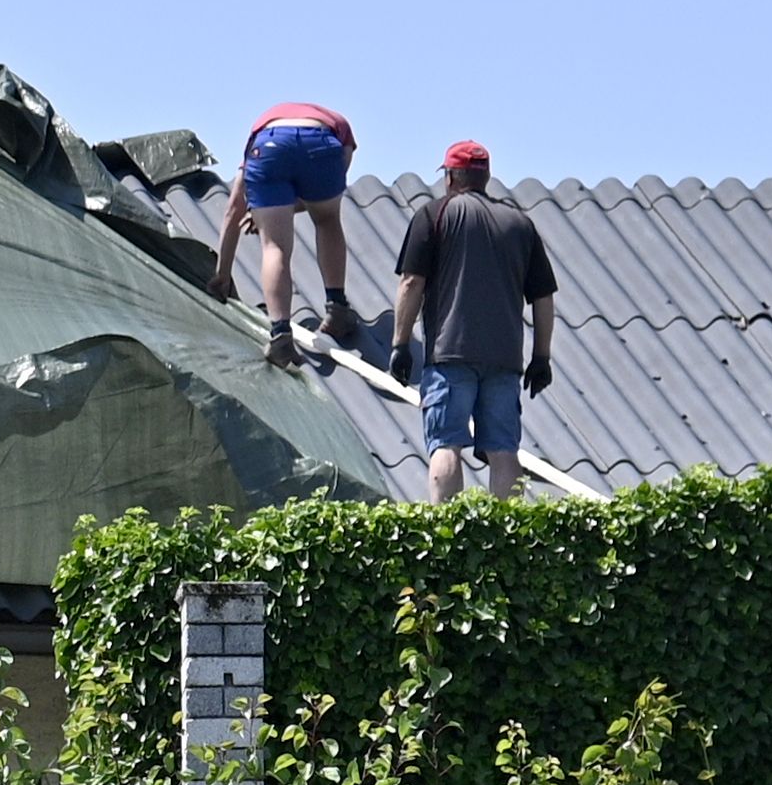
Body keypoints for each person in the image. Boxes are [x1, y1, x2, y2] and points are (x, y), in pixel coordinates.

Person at [388, 142, 560, 503]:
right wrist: (541, 357)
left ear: (451, 177)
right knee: (504, 450)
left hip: (449, 356)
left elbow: (412, 282)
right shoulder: (520, 224)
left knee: (445, 443)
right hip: (504, 360)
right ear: (487, 177)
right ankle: (507, 528)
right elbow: (543, 297)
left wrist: (400, 343)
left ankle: (446, 526)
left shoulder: (435, 214)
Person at [211, 103, 365, 364]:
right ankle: (337, 309)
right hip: (320, 142)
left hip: (269, 147)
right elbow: (329, 190)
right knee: (327, 219)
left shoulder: (259, 133)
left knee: (275, 247)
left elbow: (234, 207)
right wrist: (282, 209)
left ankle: (281, 334)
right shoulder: (340, 126)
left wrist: (222, 273)